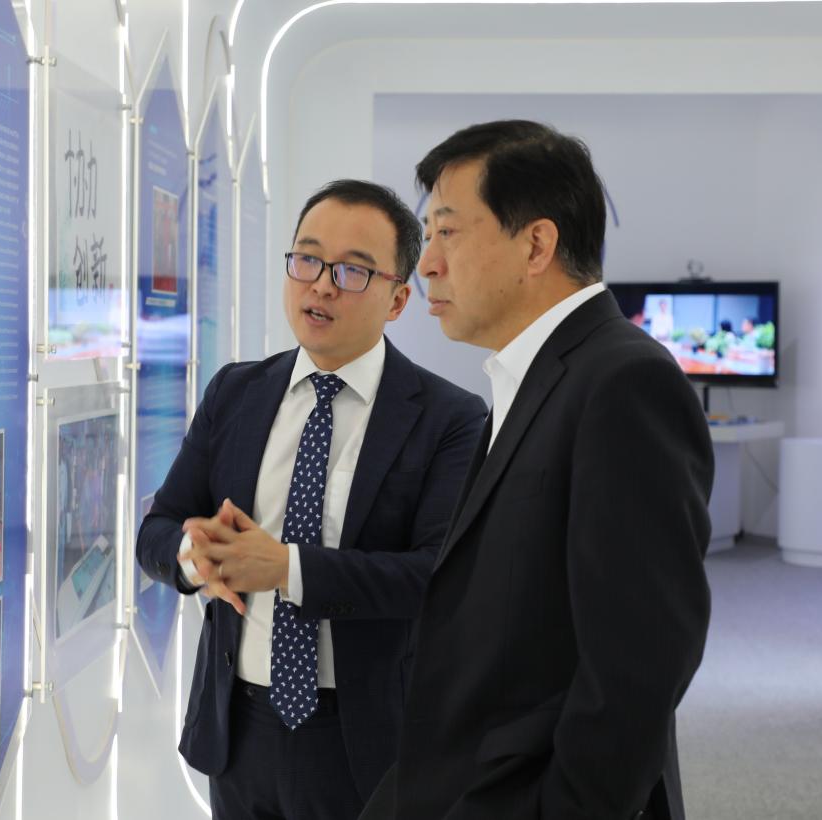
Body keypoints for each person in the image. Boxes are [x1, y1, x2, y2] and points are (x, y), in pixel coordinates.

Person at [360, 120, 714, 820]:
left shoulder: (623, 382)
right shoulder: (537, 377)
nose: (426, 264)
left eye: (447, 231)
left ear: (536, 245)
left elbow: (639, 665)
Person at [136, 179, 487, 820]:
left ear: (397, 298)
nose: (321, 285)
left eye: (353, 271)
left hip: (365, 737)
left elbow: (438, 579)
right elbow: (156, 529)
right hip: (238, 726)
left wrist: (287, 569)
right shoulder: (235, 392)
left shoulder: (451, 418)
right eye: (307, 259)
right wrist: (196, 556)